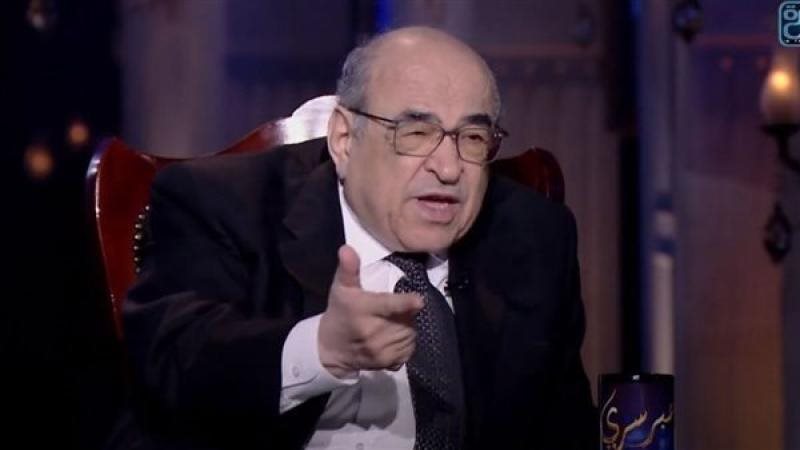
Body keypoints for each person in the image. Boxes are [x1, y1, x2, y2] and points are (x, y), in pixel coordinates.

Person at [118, 26, 597, 450]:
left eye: (472, 138)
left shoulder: (533, 235)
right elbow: (172, 357)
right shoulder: (226, 205)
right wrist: (320, 349)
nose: (449, 168)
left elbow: (564, 429)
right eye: (416, 133)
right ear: (345, 140)